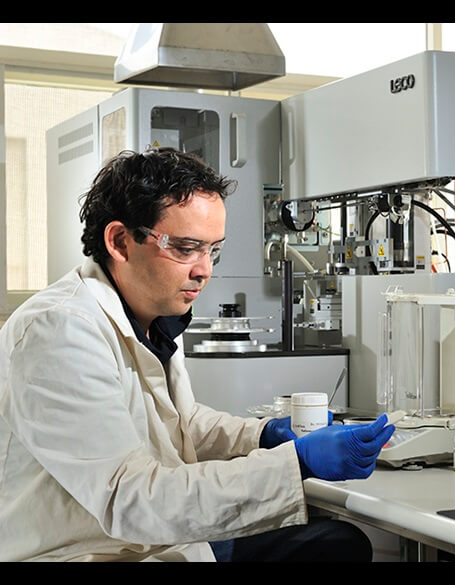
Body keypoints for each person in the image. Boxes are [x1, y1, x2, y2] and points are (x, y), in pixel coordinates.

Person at [0, 148, 395, 562]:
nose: (204, 270)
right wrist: (293, 463)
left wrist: (263, 436)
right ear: (120, 241)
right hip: (91, 551)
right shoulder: (59, 330)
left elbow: (179, 423)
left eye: (213, 250)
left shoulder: (151, 311)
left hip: (160, 539)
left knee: (335, 542)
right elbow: (130, 498)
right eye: (186, 248)